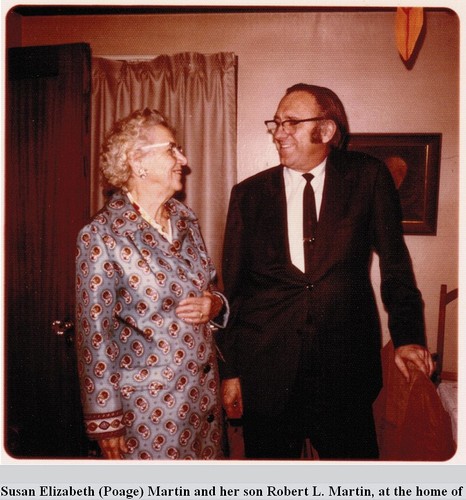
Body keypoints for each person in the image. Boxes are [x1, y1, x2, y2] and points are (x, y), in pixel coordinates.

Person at [218, 84, 433, 460]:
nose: (279, 132)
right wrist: (230, 370)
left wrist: (408, 337)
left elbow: (395, 263)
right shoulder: (248, 194)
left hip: (344, 367)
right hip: (268, 368)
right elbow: (233, 288)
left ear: (327, 130)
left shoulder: (368, 177)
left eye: (292, 122)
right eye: (277, 123)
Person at [75, 108, 228, 460]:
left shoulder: (186, 221)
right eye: (172, 149)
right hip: (148, 412)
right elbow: (93, 335)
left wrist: (215, 304)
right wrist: (105, 420)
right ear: (137, 160)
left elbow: (207, 291)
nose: (184, 160)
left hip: (202, 400)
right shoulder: (102, 235)